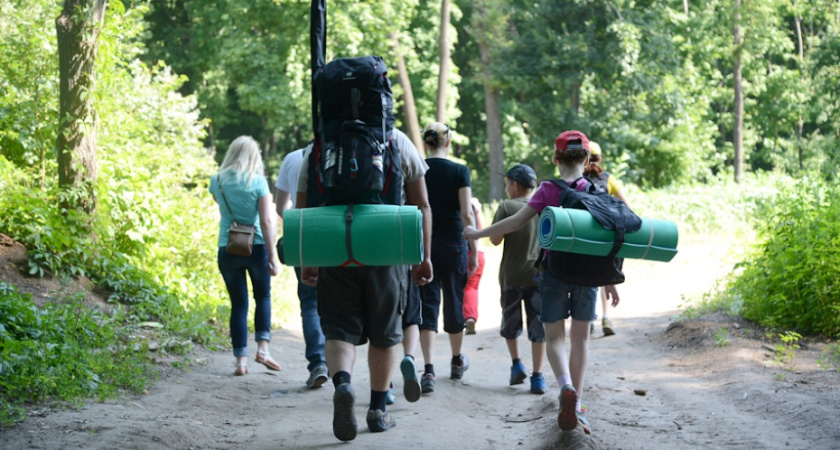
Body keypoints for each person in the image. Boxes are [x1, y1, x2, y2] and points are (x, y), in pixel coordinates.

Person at [464, 130, 620, 435]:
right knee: (581, 340)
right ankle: (578, 404)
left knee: (554, 339)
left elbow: (516, 221)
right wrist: (611, 280)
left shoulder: (548, 189)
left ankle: (564, 386)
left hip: (553, 275)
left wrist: (477, 234)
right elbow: (608, 239)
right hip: (588, 278)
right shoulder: (597, 190)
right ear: (587, 160)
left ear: (555, 159)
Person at [296, 128, 433, 440]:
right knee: (384, 334)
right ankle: (377, 410)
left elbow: (301, 205)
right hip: (387, 244)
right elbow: (422, 204)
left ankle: (343, 384)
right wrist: (423, 255)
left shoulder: (322, 143)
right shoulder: (396, 141)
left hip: (335, 243)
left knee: (339, 329)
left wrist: (309, 257)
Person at [208, 136, 282, 377]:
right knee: (263, 296)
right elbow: (266, 220)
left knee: (238, 304)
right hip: (257, 246)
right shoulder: (259, 182)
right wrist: (273, 256)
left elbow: (221, 205)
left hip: (227, 247)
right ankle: (263, 349)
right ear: (254, 156)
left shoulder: (216, 180)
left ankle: (241, 361)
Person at [417, 122, 478, 394]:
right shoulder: (459, 170)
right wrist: (474, 248)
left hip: (423, 244)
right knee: (454, 300)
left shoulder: (417, 168)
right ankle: (455, 361)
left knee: (428, 303)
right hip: (454, 243)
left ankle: (428, 370)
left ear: (426, 144)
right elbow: (467, 213)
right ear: (448, 143)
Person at [487, 164, 546, 395]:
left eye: (507, 183)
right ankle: (538, 377)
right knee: (538, 327)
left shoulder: (506, 206)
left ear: (515, 185)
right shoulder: (543, 208)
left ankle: (516, 365)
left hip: (511, 276)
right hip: (537, 276)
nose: (506, 187)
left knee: (511, 325)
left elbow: (494, 240)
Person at [274, 141, 329, 389]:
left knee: (309, 301)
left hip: (304, 236)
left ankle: (318, 362)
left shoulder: (292, 158)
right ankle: (340, 363)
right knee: (336, 300)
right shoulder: (336, 157)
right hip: (336, 235)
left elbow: (279, 207)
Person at [584, 141, 630, 337]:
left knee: (588, 276)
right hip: (608, 236)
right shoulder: (608, 179)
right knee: (605, 275)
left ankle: (589, 318)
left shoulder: (579, 181)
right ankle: (606, 317)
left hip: (587, 234)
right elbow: (626, 206)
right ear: (600, 159)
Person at [463, 197, 485, 335]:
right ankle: (470, 317)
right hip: (477, 251)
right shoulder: (474, 204)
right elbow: (480, 230)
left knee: (455, 288)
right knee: (471, 287)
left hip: (460, 251)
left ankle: (458, 321)